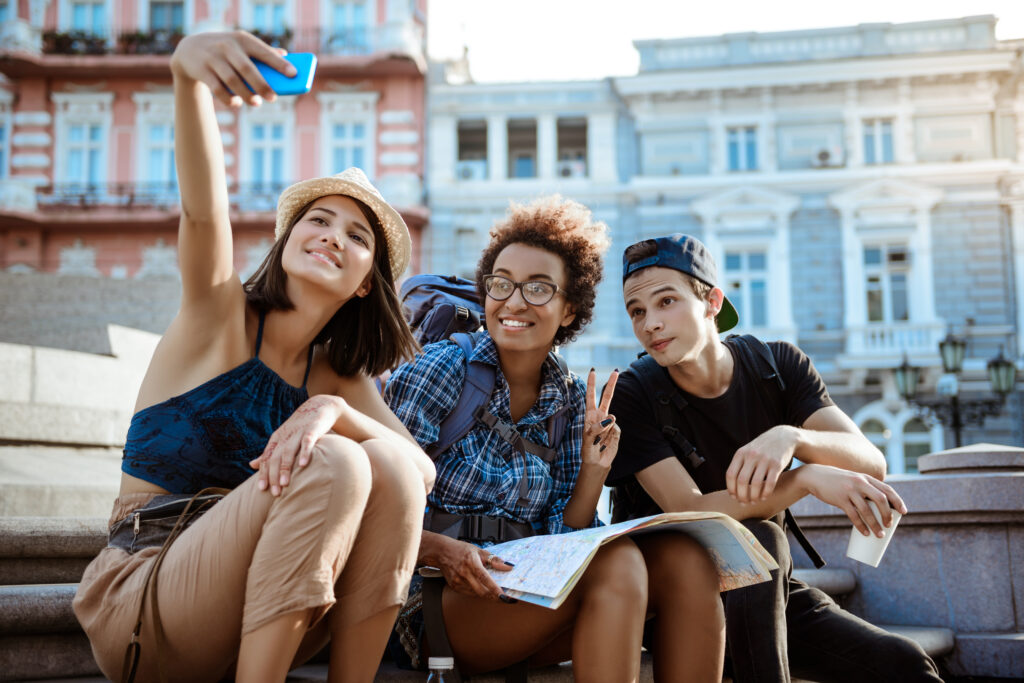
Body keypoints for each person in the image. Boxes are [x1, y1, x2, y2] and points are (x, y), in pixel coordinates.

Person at [72, 31, 434, 683]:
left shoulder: (334, 375)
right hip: (145, 596)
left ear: (363, 282)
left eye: (356, 236)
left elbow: (420, 470)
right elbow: (202, 210)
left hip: (258, 610)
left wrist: (329, 406)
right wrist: (188, 78)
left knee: (387, 467)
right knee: (338, 461)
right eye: (317, 219)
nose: (331, 236)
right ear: (288, 236)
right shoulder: (220, 313)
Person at [384, 198, 726, 683]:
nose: (514, 302)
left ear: (569, 310)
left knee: (687, 562)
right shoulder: (443, 368)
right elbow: (373, 510)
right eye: (501, 284)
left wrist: (592, 472)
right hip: (433, 596)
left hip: (526, 589)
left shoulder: (567, 400)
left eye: (538, 288)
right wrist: (443, 550)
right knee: (618, 563)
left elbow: (564, 542)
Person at [606, 233, 944, 683]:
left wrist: (793, 438)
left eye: (666, 301)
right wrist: (805, 480)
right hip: (678, 603)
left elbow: (869, 461)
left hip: (767, 588)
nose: (650, 323)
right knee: (761, 535)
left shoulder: (777, 366)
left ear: (712, 302)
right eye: (637, 311)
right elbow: (692, 510)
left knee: (907, 664)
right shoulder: (633, 393)